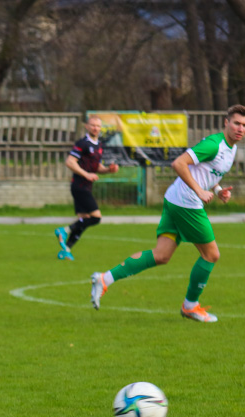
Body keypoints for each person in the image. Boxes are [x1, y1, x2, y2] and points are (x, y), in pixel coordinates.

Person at [90, 104, 245, 322]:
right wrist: (199, 190)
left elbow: (209, 172)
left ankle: (104, 279)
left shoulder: (232, 148)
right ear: (226, 123)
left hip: (175, 199)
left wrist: (218, 190)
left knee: (161, 255)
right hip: (186, 203)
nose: (240, 128)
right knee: (211, 255)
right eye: (237, 123)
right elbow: (179, 163)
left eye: (244, 125)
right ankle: (190, 306)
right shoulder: (214, 144)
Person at [54, 115, 119, 260]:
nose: (95, 128)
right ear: (87, 126)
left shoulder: (99, 145)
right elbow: (70, 162)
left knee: (83, 221)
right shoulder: (82, 143)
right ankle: (64, 230)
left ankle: (67, 249)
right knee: (96, 218)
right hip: (79, 186)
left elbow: (97, 167)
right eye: (93, 125)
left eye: (98, 126)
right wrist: (86, 174)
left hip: (86, 186)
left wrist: (109, 170)